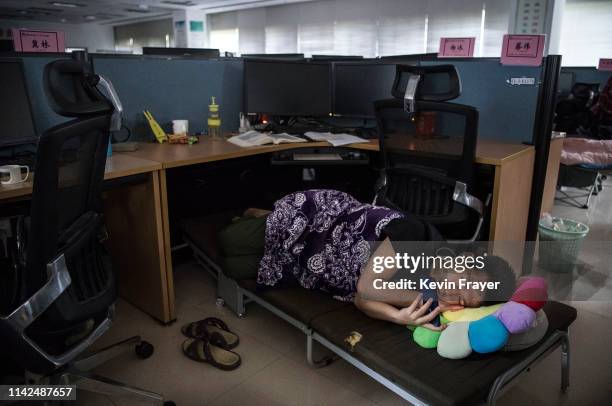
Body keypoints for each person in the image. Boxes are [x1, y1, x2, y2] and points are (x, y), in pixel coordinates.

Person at [219, 189, 516, 331]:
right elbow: (367, 287)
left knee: (233, 266)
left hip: (315, 262)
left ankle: (265, 224)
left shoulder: (427, 292)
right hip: (319, 222)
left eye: (465, 302)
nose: (456, 297)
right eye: (465, 284)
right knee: (229, 241)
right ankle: (263, 215)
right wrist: (421, 301)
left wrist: (398, 316)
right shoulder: (417, 239)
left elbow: (361, 302)